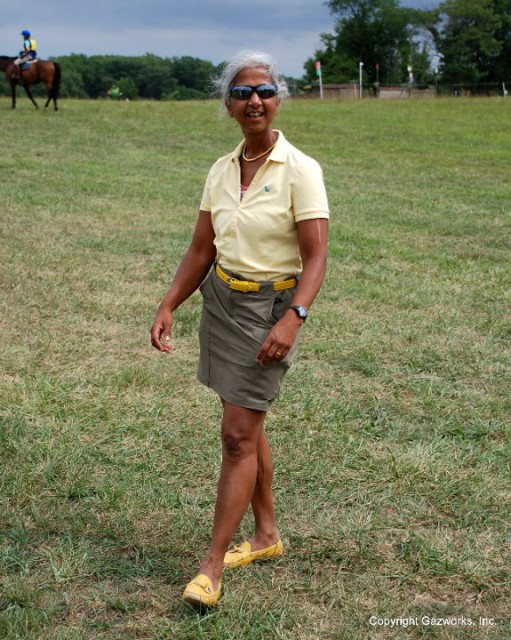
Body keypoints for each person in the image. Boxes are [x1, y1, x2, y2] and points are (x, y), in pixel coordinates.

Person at [150, 50, 329, 608]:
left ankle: (211, 569)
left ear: (278, 100)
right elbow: (202, 246)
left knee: (236, 435)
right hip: (222, 301)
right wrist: (169, 302)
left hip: (270, 309)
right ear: (228, 104)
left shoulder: (300, 169)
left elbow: (317, 256)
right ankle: (267, 534)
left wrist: (293, 318)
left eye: (265, 90)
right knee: (245, 421)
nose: (255, 100)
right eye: (242, 92)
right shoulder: (221, 170)